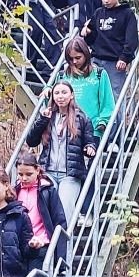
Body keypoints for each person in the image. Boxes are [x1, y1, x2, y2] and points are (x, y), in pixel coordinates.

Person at [25, 81, 96, 223]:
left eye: (64, 93)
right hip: (48, 172)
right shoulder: (48, 116)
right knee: (43, 207)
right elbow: (31, 141)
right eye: (57, 93)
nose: (60, 96)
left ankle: (64, 244)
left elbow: (90, 141)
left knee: (64, 209)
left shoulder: (82, 118)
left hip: (70, 174)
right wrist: (42, 120)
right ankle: (47, 242)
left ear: (71, 95)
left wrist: (89, 148)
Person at [15, 151, 67, 277]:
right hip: (20, 249)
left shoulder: (47, 191)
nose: (24, 178)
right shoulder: (14, 192)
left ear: (38, 170)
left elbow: (59, 222)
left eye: (28, 174)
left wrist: (59, 253)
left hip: (42, 248)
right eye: (20, 174)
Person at [81, 0, 139, 103]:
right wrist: (87, 33)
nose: (106, 0)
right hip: (96, 60)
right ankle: (95, 122)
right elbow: (91, 38)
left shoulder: (127, 14)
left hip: (115, 63)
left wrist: (124, 58)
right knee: (93, 92)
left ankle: (115, 122)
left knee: (114, 95)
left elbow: (131, 39)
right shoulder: (98, 13)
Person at [59, 37, 115, 142]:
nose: (74, 61)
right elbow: (55, 96)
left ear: (86, 54)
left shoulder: (99, 74)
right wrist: (48, 88)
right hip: (67, 128)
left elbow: (107, 102)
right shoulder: (63, 75)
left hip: (93, 130)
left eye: (78, 57)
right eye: (71, 59)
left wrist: (103, 121)